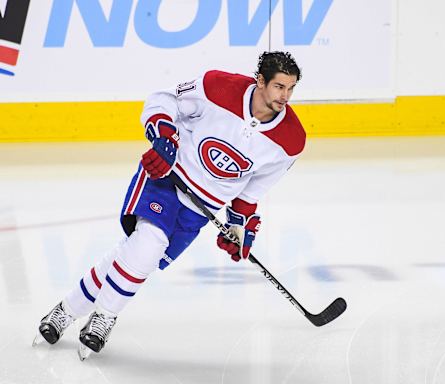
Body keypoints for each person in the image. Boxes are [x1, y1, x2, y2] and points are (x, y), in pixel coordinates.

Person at [33, 51, 306, 358]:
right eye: (279, 87)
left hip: (201, 208)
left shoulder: (291, 140)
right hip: (166, 177)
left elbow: (254, 189)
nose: (285, 96)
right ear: (260, 81)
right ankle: (104, 317)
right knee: (149, 243)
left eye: (291, 88)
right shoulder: (217, 87)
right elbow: (163, 101)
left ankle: (65, 310)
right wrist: (164, 139)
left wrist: (238, 225)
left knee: (136, 255)